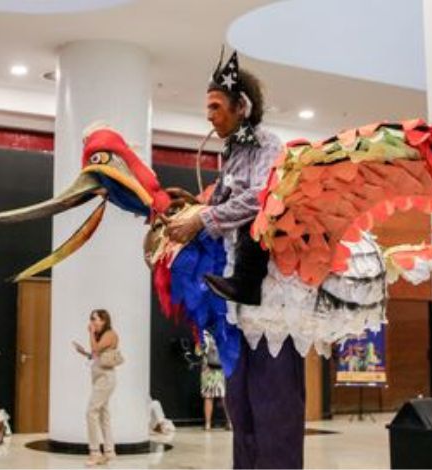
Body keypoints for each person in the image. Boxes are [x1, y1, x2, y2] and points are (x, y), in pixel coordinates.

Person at [167, 50, 305, 468]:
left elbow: (260, 196)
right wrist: (194, 207)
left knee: (273, 403)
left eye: (215, 106)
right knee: (241, 404)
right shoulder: (231, 153)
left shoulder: (266, 143)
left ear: (240, 106)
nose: (209, 116)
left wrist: (203, 219)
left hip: (270, 292)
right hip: (237, 299)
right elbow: (226, 201)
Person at [73, 309, 119, 467]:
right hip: (99, 378)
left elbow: (97, 349)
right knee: (103, 414)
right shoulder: (101, 336)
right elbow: (95, 356)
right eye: (91, 319)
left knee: (91, 412)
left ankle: (94, 452)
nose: (93, 322)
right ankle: (109, 451)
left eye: (96, 319)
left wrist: (91, 333)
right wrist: (83, 353)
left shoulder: (110, 334)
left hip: (105, 379)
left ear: (104, 321)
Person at [200, 331, 229, 431]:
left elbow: (198, 351)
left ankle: (208, 424)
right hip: (222, 367)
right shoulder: (223, 329)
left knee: (208, 396)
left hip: (208, 368)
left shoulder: (204, 333)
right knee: (224, 396)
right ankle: (230, 423)